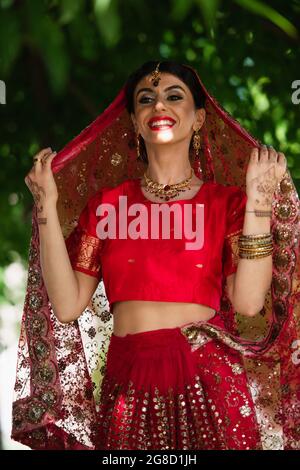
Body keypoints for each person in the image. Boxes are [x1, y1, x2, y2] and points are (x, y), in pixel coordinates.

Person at [11, 61, 299, 450]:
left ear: (198, 119)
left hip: (204, 383)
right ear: (134, 119)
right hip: (126, 387)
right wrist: (46, 205)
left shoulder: (227, 204)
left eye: (173, 96)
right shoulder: (107, 207)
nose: (158, 105)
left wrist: (260, 202)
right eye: (146, 99)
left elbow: (248, 303)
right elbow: (66, 305)